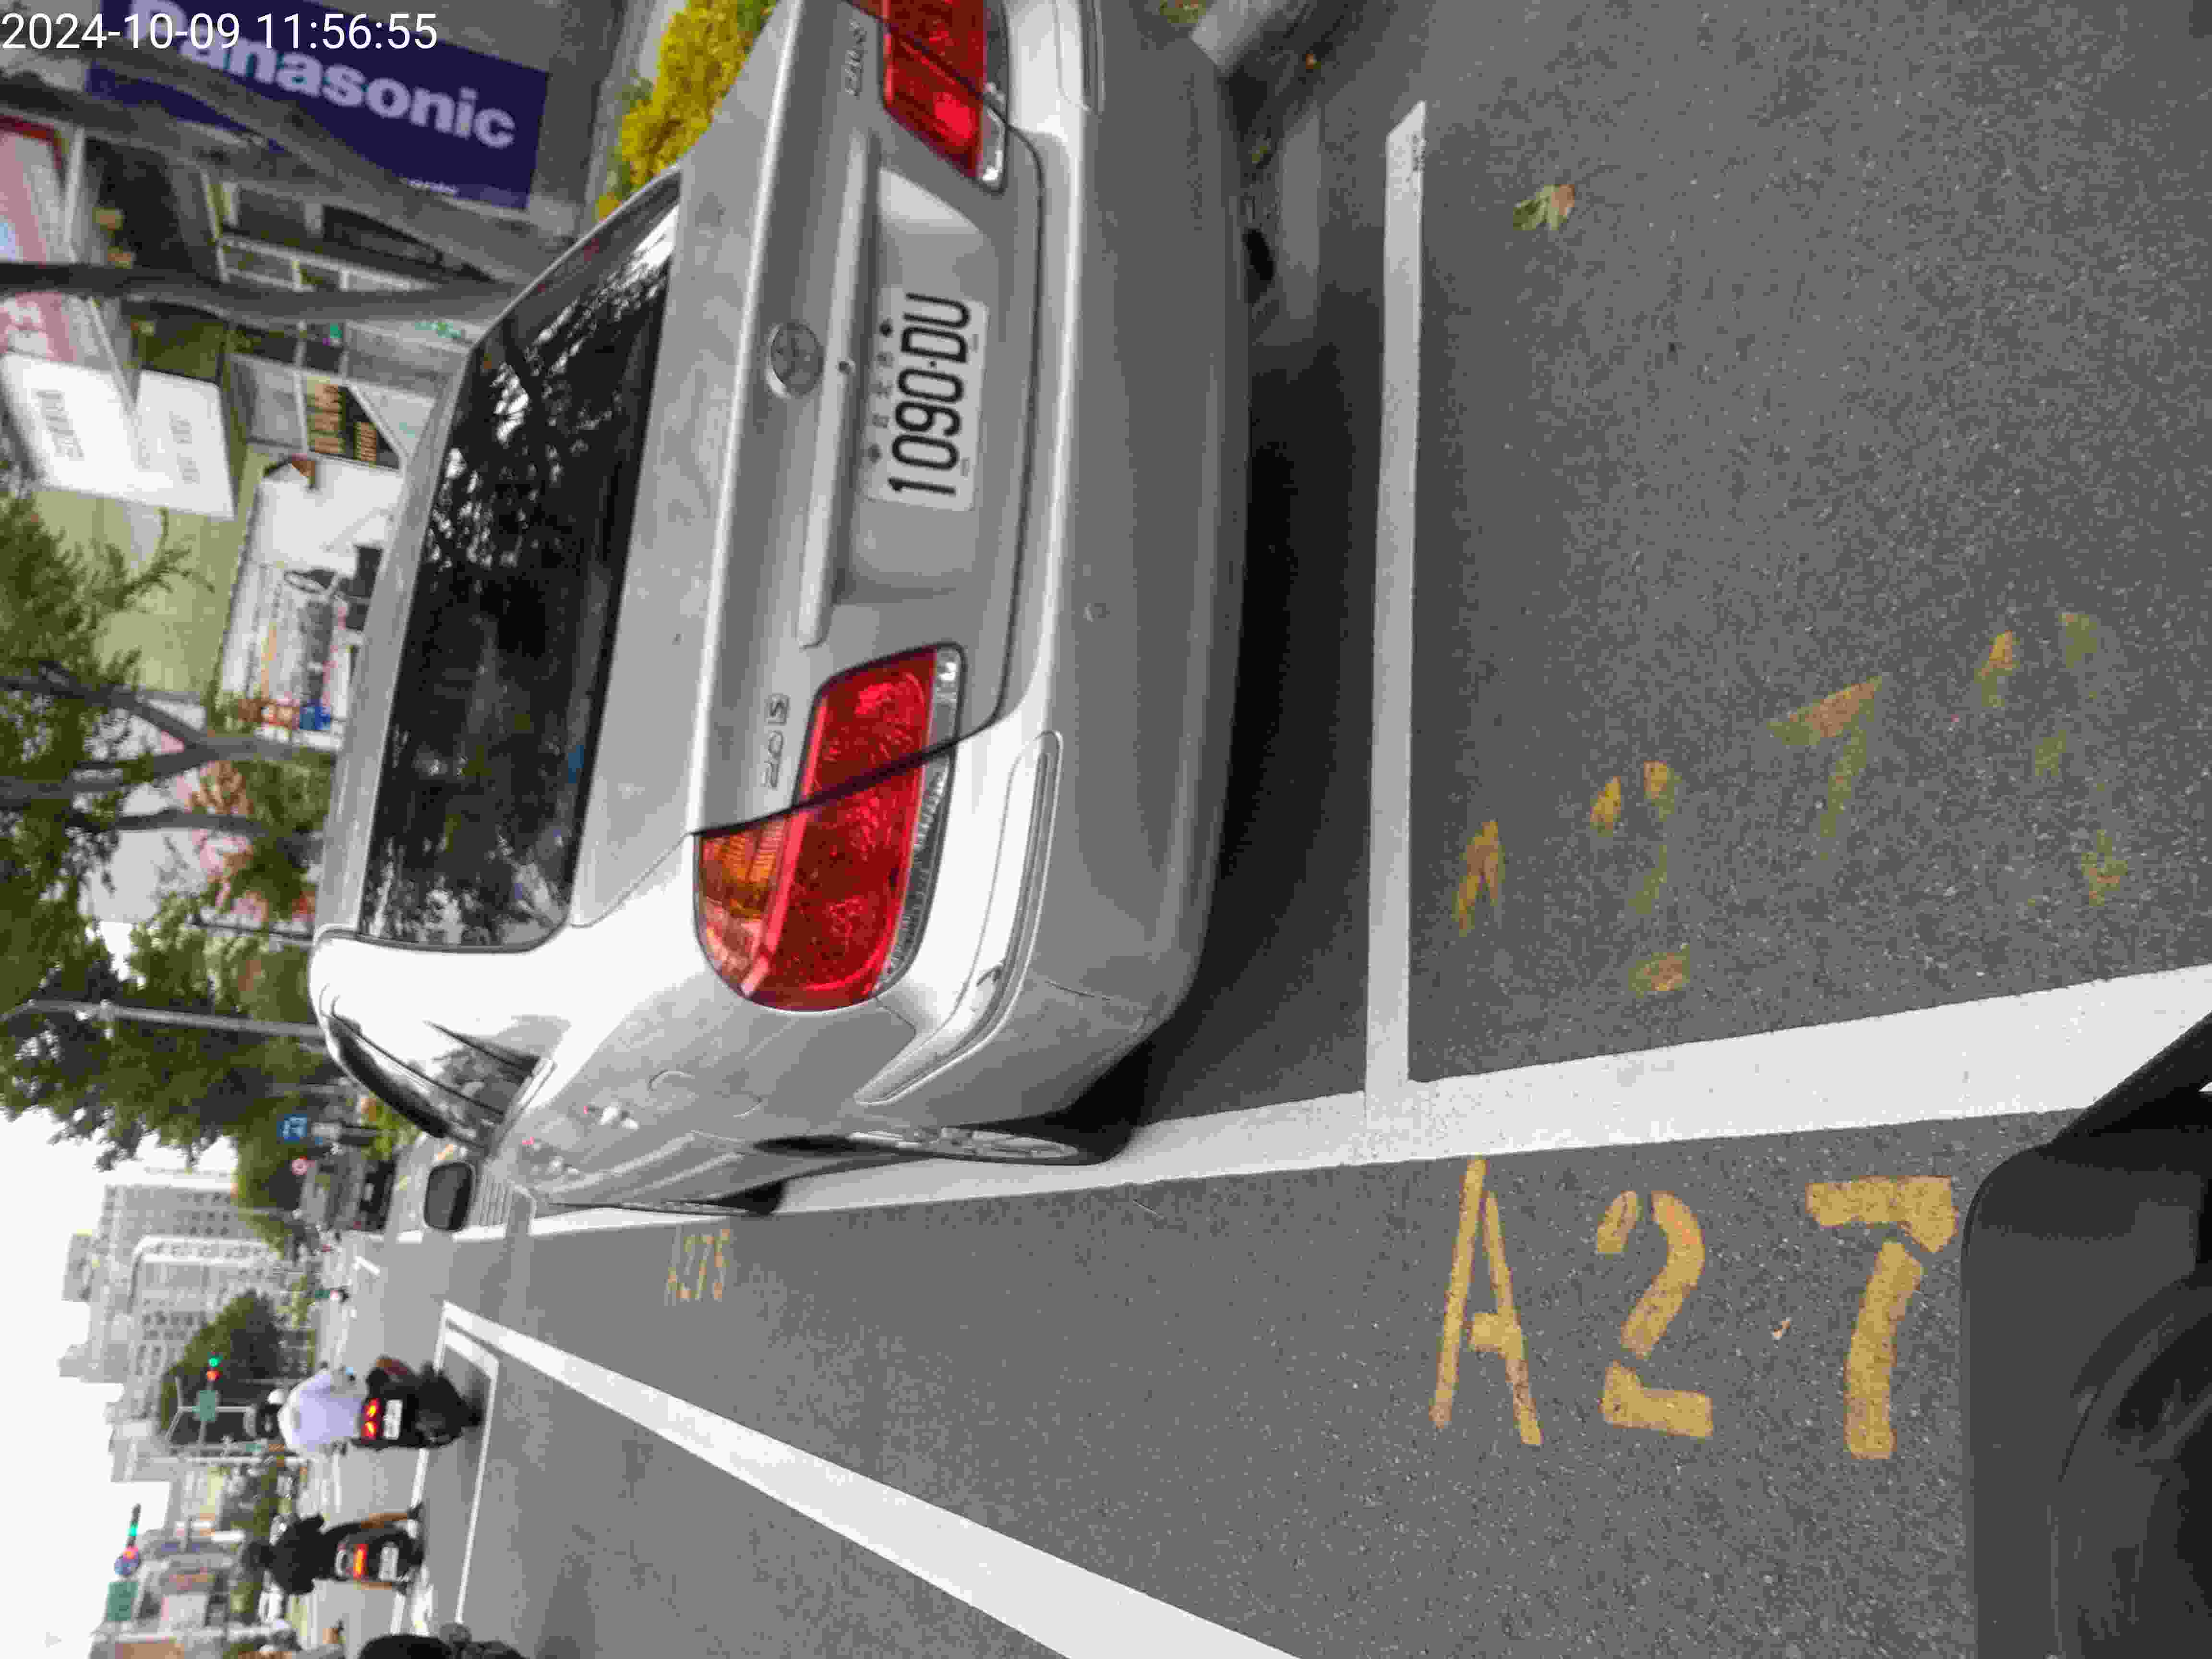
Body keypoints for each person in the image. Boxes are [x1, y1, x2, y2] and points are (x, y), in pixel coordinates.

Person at [240, 1503, 422, 1594]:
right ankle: (409, 1515)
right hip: (337, 1540)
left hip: (334, 1569)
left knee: (361, 1579)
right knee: (370, 1524)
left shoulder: (282, 1581)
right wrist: (301, 1522)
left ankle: (397, 1586)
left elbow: (308, 1588)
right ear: (263, 1545)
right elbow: (318, 1521)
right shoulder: (287, 1536)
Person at [267, 1356, 409, 1455]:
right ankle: (413, 1382)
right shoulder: (296, 1395)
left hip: (361, 1431)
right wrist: (348, 1373)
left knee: (369, 1442)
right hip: (364, 1402)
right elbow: (337, 1377)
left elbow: (325, 1454)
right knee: (380, 1368)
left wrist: (335, 1439)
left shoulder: (293, 1443)